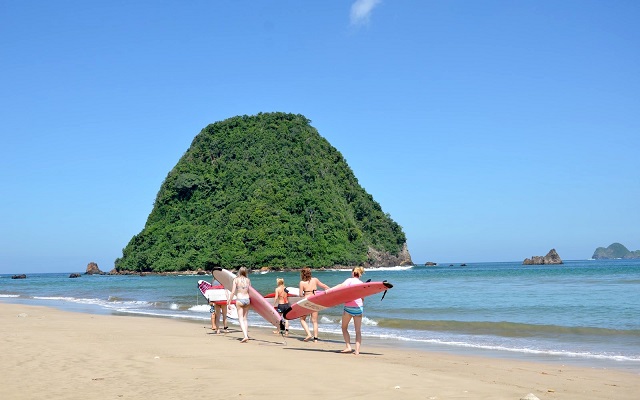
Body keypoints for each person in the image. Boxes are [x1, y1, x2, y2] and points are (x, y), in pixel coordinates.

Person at [329, 266, 364, 355]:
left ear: (353, 273)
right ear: (360, 274)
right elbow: (363, 298)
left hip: (349, 307)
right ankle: (357, 351)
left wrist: (330, 290)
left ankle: (348, 347)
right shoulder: (361, 283)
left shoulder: (349, 280)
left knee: (344, 327)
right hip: (359, 309)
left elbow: (341, 286)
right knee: (358, 331)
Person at [298, 267, 329, 342]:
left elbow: (300, 295)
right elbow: (324, 286)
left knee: (302, 319)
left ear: (302, 274)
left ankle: (309, 334)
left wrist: (304, 293)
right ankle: (315, 339)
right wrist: (330, 290)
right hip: (315, 300)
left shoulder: (302, 283)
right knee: (314, 321)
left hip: (307, 301)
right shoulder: (315, 280)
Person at [228, 267, 251, 343]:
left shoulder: (236, 280)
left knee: (240, 319)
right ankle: (246, 335)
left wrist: (229, 302)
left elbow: (233, 291)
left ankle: (245, 336)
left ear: (239, 272)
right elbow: (251, 291)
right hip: (247, 299)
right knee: (245, 319)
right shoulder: (248, 280)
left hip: (240, 300)